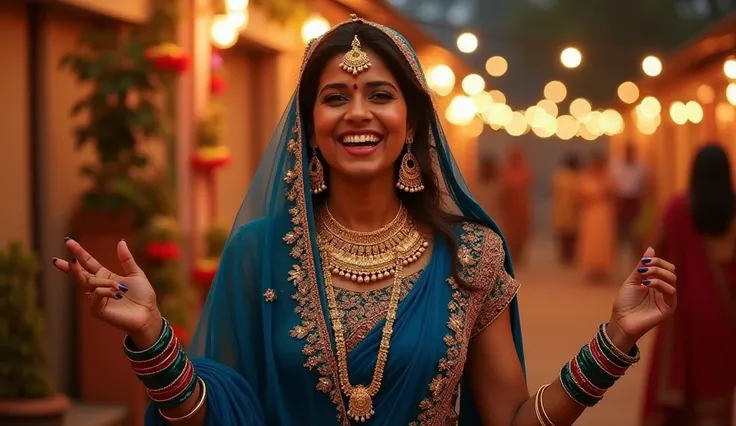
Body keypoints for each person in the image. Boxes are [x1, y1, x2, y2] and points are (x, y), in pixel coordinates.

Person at [52, 15, 677, 426]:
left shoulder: (471, 257)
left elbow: (514, 421)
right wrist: (153, 338)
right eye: (334, 96)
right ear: (310, 127)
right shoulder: (258, 252)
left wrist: (614, 341)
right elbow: (219, 416)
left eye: (380, 94)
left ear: (411, 122)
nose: (358, 113)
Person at [641, 144, 736, 426]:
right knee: (714, 397)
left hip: (680, 314)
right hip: (724, 316)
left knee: (677, 393)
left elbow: (650, 254)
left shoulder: (678, 209)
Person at [577, 151, 617, 280]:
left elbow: (611, 194)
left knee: (603, 239)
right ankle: (591, 268)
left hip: (603, 212)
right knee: (590, 239)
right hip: (590, 212)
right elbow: (581, 195)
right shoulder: (586, 178)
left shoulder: (607, 178)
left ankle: (603, 268)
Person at [610, 143, 647, 253]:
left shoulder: (641, 167)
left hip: (635, 200)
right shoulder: (617, 165)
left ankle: (634, 252)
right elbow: (613, 183)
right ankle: (622, 251)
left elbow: (644, 184)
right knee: (621, 228)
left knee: (635, 229)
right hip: (621, 199)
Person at [500, 145, 533, 265]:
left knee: (521, 233)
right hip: (510, 208)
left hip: (522, 207)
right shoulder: (505, 171)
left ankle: (519, 255)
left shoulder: (525, 170)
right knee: (510, 233)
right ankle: (512, 255)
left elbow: (527, 188)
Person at [550, 153, 581, 265]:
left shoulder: (578, 176)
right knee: (563, 234)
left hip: (574, 209)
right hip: (562, 208)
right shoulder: (559, 176)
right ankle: (564, 257)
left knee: (573, 235)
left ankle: (571, 257)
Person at [475, 155, 503, 223]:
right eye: (485, 168)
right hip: (481, 221)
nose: (487, 170)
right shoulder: (476, 187)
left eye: (489, 168)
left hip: (495, 222)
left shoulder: (498, 187)